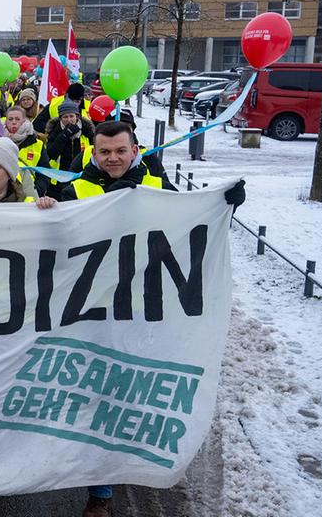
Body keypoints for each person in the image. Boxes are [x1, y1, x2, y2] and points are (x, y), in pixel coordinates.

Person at [59, 121, 243, 517]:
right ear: (93, 152)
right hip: (89, 311)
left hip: (144, 311)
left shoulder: (158, 187)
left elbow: (192, 223)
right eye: (104, 152)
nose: (112, 159)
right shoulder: (74, 189)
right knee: (94, 396)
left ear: (135, 149)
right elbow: (49, 236)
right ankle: (100, 490)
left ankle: (124, 468)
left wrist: (224, 202)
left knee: (129, 394)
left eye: (120, 151)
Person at [4, 106, 53, 196]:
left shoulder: (37, 144)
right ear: (6, 122)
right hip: (5, 195)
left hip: (30, 195)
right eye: (10, 119)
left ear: (24, 121)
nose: (14, 122)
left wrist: (36, 190)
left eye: (17, 119)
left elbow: (44, 173)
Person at [45, 99, 95, 172]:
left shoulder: (87, 130)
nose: (69, 120)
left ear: (77, 117)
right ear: (60, 119)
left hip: (82, 173)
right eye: (65, 117)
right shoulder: (55, 130)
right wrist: (65, 135)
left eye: (71, 116)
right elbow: (51, 154)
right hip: (59, 173)